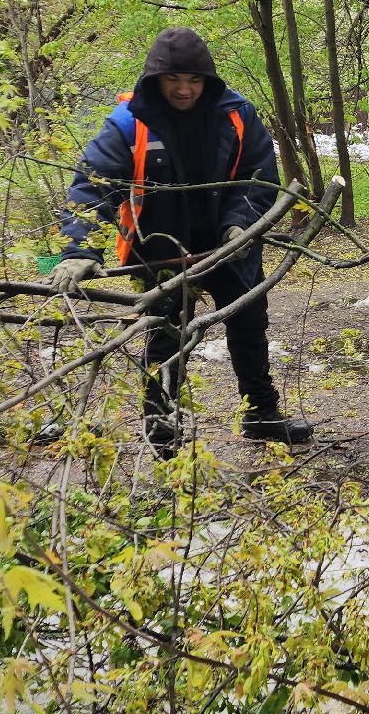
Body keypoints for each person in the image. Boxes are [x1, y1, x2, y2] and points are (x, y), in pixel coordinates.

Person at [49, 27, 313, 449]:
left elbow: (258, 177)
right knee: (166, 337)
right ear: (156, 79)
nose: (184, 90)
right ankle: (160, 425)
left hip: (232, 245)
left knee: (249, 328)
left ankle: (261, 415)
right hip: (162, 250)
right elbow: (92, 185)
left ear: (208, 80)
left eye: (193, 80)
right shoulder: (128, 122)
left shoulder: (237, 114)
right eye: (174, 80)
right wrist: (80, 248)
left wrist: (241, 222)